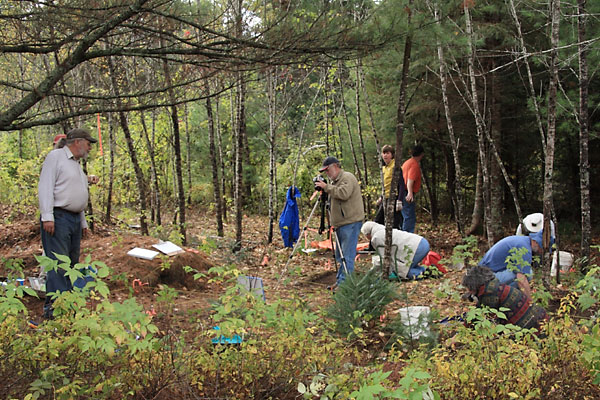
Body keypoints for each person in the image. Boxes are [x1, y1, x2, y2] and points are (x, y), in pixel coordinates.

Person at [39, 128, 97, 318]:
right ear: (77, 142)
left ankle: (68, 308)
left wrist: (83, 223)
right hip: (59, 217)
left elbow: (77, 196)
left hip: (73, 219)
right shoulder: (56, 157)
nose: (89, 147)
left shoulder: (76, 164)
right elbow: (45, 185)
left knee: (72, 265)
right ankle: (54, 311)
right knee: (58, 264)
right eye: (88, 143)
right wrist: (47, 216)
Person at [314, 156, 364, 287]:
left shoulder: (347, 177)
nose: (327, 173)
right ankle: (341, 281)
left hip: (350, 222)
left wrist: (326, 187)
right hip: (341, 224)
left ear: (335, 166)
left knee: (347, 255)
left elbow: (343, 193)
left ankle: (345, 285)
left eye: (328, 170)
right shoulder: (335, 182)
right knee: (340, 256)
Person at [462, 265, 548, 331]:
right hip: (541, 318)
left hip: (533, 327)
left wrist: (462, 332)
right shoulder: (494, 284)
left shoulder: (489, 293)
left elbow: (483, 319)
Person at [478, 231, 544, 300]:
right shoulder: (524, 248)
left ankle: (507, 296)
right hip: (485, 277)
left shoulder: (522, 241)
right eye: (541, 249)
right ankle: (492, 296)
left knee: (527, 273)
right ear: (536, 242)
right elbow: (521, 279)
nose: (541, 252)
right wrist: (530, 303)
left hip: (489, 273)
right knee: (527, 275)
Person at [361, 221, 429, 279]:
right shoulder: (383, 229)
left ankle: (427, 273)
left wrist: (372, 271)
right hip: (421, 242)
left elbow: (384, 258)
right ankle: (427, 270)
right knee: (404, 267)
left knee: (403, 272)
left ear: (368, 234)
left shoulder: (376, 238)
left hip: (417, 247)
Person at [374, 145, 404, 229]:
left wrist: (400, 200)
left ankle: (396, 240)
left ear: (392, 155)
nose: (385, 155)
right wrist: (381, 197)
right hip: (385, 198)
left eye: (387, 153)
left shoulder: (395, 166)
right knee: (378, 221)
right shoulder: (383, 167)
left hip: (394, 198)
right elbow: (385, 185)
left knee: (394, 224)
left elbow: (401, 184)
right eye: (384, 153)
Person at [401, 144, 424, 233]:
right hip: (406, 192)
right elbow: (410, 180)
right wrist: (410, 193)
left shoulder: (407, 162)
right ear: (421, 154)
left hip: (402, 191)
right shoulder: (414, 165)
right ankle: (407, 237)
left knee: (405, 216)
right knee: (409, 217)